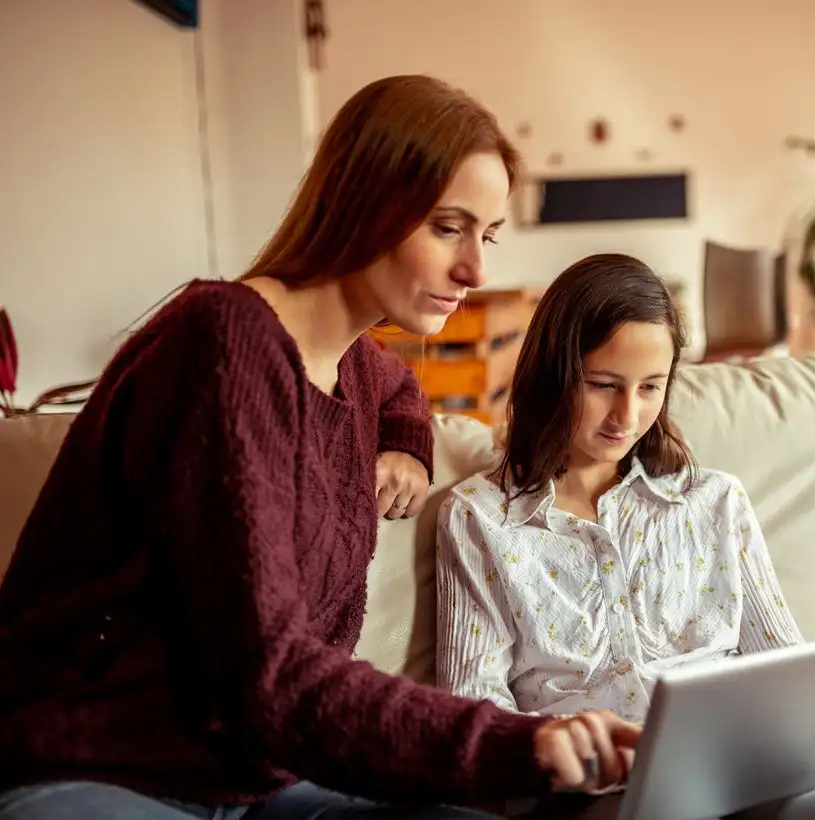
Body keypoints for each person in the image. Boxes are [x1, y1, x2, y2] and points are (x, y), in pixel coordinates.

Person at [0, 76, 638, 820]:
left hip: (253, 776)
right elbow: (267, 672)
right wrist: (513, 744)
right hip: (103, 766)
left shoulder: (359, 365)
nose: (476, 271)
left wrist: (404, 444)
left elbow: (400, 390)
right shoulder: (224, 341)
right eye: (447, 227)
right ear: (367, 200)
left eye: (487, 235)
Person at [433, 254, 815, 819]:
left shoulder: (715, 502)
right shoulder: (480, 518)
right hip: (602, 796)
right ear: (554, 374)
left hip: (747, 768)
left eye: (651, 387)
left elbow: (786, 675)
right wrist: (566, 753)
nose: (626, 417)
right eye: (604, 385)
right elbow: (474, 713)